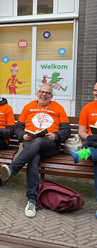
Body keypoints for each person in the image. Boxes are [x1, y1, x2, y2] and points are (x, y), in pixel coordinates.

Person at [0, 85, 71, 218]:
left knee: (37, 142)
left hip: (50, 145)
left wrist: (56, 136)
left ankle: (13, 168)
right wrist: (22, 136)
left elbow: (67, 130)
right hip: (30, 143)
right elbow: (18, 127)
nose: (44, 95)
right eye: (42, 92)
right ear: (37, 93)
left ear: (51, 96)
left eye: (47, 93)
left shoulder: (58, 108)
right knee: (34, 158)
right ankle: (32, 200)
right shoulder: (28, 107)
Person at [71, 82, 97, 218]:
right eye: (94, 90)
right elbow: (81, 132)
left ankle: (86, 153)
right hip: (92, 142)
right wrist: (92, 136)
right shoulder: (87, 108)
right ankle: (88, 151)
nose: (96, 93)